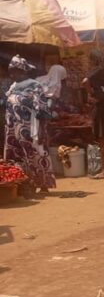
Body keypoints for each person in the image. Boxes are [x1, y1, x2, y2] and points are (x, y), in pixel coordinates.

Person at [3, 55, 56, 194]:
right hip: (13, 128)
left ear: (23, 71)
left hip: (30, 127)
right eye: (10, 71)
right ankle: (27, 185)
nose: (11, 73)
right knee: (19, 156)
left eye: (14, 70)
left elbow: (42, 108)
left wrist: (41, 130)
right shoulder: (12, 86)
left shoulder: (34, 85)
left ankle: (44, 184)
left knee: (37, 154)